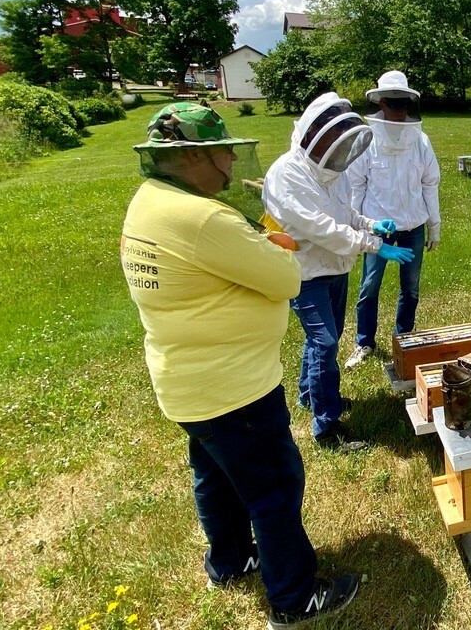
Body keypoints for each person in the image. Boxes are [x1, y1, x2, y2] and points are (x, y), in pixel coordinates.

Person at [121, 102, 359, 628]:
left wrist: (261, 247)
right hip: (235, 388)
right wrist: (278, 248)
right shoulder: (206, 218)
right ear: (194, 157)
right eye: (222, 151)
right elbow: (286, 278)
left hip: (187, 382)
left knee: (215, 474)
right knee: (274, 488)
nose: (231, 160)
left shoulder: (150, 199)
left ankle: (229, 561)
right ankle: (295, 599)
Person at [264, 92, 415, 452]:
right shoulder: (287, 174)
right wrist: (374, 245)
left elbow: (344, 214)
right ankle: (326, 427)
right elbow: (320, 228)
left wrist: (372, 224)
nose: (337, 144)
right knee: (325, 343)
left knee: (323, 339)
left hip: (334, 268)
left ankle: (310, 395)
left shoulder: (335, 170)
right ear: (312, 133)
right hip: (303, 272)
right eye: (332, 135)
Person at [344, 71, 442, 369]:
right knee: (369, 287)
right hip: (378, 228)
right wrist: (356, 230)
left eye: (403, 104)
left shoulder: (421, 141)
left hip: (413, 227)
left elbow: (430, 183)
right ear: (381, 104)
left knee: (410, 288)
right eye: (392, 103)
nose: (399, 109)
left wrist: (434, 226)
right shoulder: (367, 141)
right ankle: (364, 342)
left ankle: (405, 339)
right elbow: (356, 186)